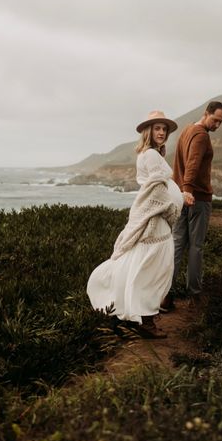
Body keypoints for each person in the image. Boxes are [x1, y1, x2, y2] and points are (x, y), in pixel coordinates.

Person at [87, 110, 185, 339]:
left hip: (154, 216)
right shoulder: (150, 154)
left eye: (164, 129)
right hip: (156, 217)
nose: (161, 132)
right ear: (148, 131)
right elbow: (156, 190)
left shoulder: (151, 153)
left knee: (146, 263)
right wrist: (173, 210)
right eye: (157, 128)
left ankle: (138, 314)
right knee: (154, 266)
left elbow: (158, 186)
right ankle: (144, 319)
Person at [161, 101, 222, 310]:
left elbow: (180, 162)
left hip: (181, 197)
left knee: (177, 245)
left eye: (221, 122)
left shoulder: (187, 130)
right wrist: (189, 189)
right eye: (215, 120)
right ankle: (195, 296)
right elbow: (193, 163)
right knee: (196, 248)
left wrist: (182, 192)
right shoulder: (201, 135)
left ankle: (166, 296)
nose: (217, 125)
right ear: (205, 113)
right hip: (196, 198)